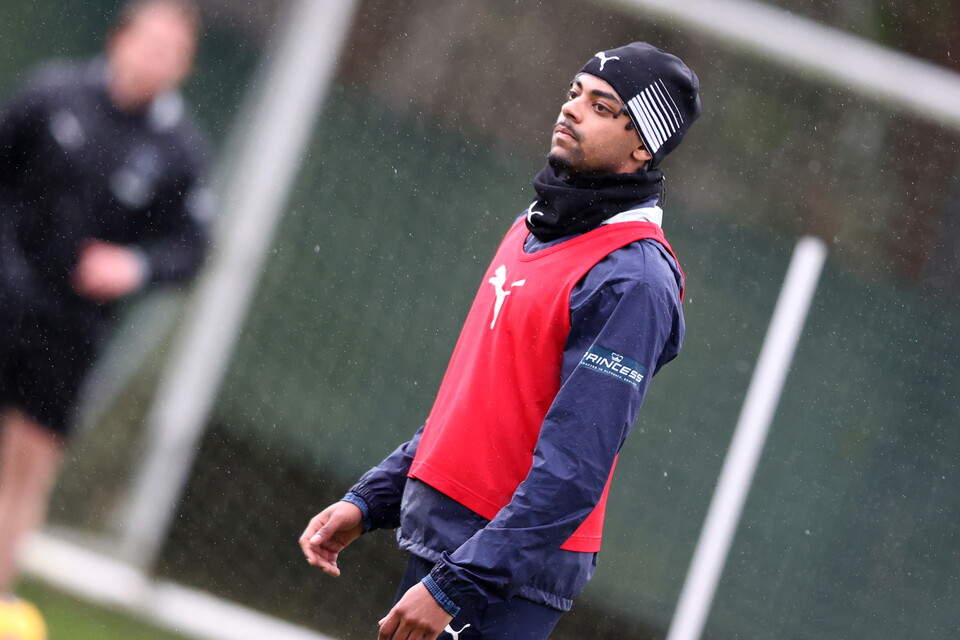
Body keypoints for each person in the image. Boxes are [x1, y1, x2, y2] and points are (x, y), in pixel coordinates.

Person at [300, 42, 700, 640]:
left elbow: (574, 472)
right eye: (573, 94)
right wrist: (372, 499)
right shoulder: (532, 226)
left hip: (499, 579)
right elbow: (475, 405)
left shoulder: (634, 279)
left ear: (643, 142)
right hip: (448, 548)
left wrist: (457, 586)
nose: (571, 110)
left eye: (601, 105)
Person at [0, 0, 209, 598]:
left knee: (27, 468)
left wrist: (134, 264)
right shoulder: (50, 95)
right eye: (150, 41)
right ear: (120, 39)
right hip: (5, 296)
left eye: (173, 51)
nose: (156, 57)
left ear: (185, 68)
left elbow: (191, 250)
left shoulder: (179, 152)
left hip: (72, 331)